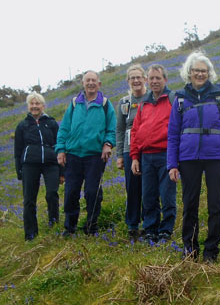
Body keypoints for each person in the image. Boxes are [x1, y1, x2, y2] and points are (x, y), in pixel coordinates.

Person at [167, 51, 220, 263]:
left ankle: (211, 251)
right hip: (188, 158)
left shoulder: (219, 97)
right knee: (190, 205)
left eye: (204, 71)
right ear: (189, 73)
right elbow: (172, 134)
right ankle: (190, 249)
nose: (200, 74)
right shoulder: (180, 99)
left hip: (216, 157)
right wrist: (172, 163)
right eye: (196, 70)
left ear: (209, 73)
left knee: (216, 205)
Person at [56, 70, 116, 235]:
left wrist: (108, 144)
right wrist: (61, 149)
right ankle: (70, 228)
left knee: (92, 192)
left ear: (99, 84)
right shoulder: (75, 103)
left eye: (93, 80)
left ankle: (91, 227)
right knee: (70, 193)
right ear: (83, 83)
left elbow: (112, 128)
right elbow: (64, 128)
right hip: (73, 155)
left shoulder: (105, 104)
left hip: (95, 156)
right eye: (87, 80)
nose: (90, 83)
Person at [130, 64, 176, 243]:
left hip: (166, 154)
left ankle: (166, 229)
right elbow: (135, 131)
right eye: (152, 78)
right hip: (146, 157)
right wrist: (135, 157)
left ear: (165, 79)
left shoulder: (173, 100)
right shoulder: (143, 104)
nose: (155, 81)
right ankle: (151, 229)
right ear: (147, 81)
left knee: (167, 195)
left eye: (158, 78)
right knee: (148, 196)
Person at [14, 93, 63, 240]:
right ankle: (30, 233)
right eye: (32, 104)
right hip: (29, 165)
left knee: (52, 194)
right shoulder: (22, 126)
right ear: (28, 106)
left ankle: (54, 225)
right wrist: (19, 171)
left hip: (51, 163)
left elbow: (60, 146)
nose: (35, 106)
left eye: (38, 103)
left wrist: (62, 171)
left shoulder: (52, 123)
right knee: (29, 199)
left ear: (43, 106)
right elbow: (18, 150)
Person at [116, 64, 148, 239]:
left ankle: (149, 222)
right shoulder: (124, 102)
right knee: (132, 188)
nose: (136, 80)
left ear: (144, 79)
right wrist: (120, 155)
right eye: (132, 78)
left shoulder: (152, 98)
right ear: (128, 81)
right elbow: (120, 129)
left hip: (150, 148)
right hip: (130, 150)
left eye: (139, 77)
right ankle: (133, 225)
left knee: (149, 188)